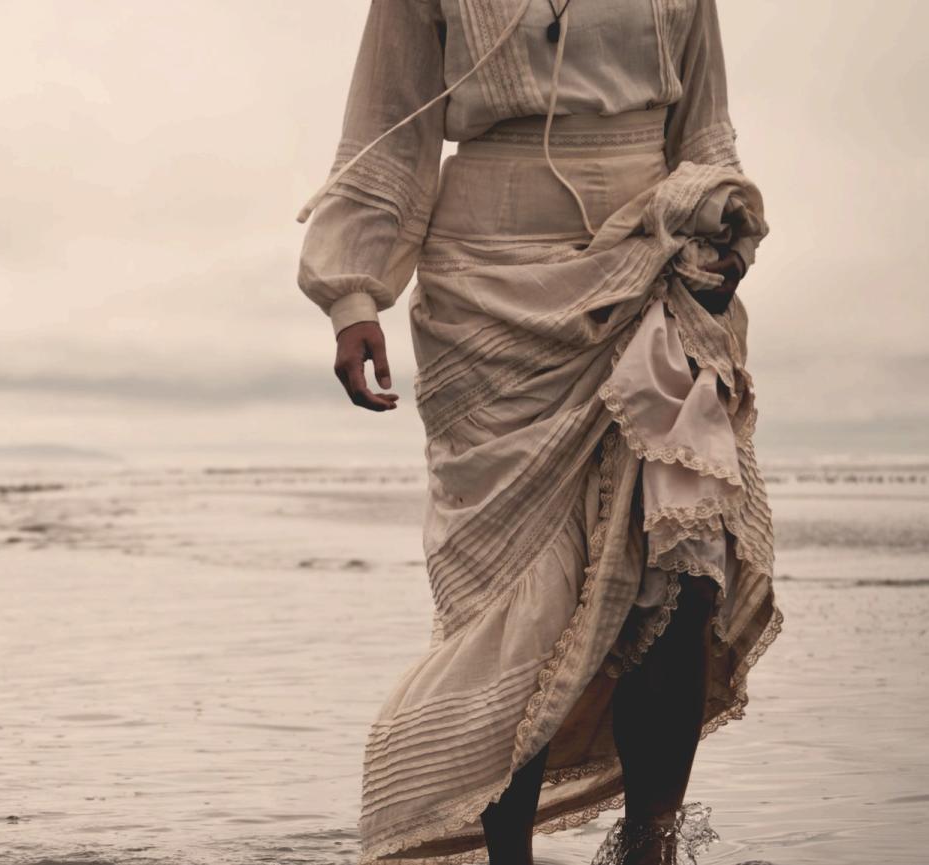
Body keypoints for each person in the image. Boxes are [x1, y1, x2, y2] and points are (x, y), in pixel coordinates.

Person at [294, 2, 783, 864]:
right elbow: (384, 132)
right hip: (488, 286)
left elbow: (705, 130)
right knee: (511, 597)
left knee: (684, 565)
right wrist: (353, 290)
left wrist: (724, 228)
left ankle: (651, 845)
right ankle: (503, 857)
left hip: (656, 263)